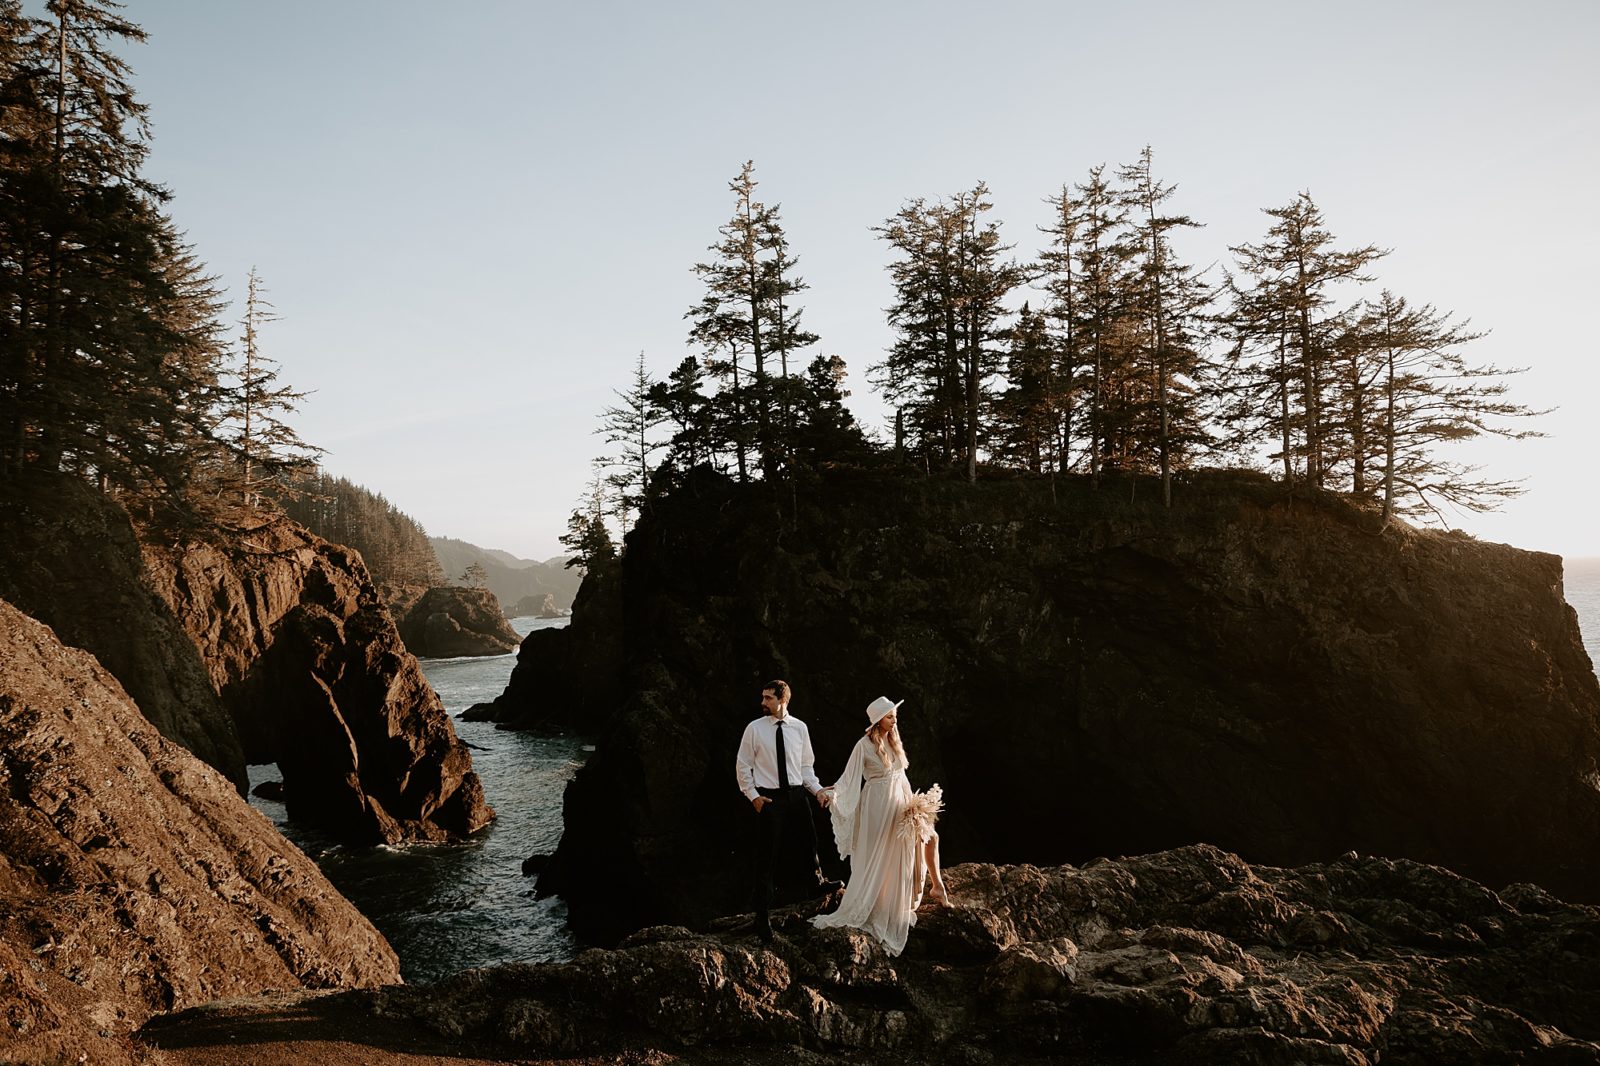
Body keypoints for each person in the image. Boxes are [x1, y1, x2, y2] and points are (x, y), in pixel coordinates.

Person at [811, 696, 948, 956]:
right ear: (877, 721)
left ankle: (927, 888)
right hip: (876, 804)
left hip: (899, 801)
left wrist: (913, 804)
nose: (894, 720)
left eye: (894, 715)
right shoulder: (863, 745)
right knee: (879, 850)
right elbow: (848, 778)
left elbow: (902, 776)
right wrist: (833, 794)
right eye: (889, 716)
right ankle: (875, 901)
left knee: (916, 842)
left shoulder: (894, 741)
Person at [735, 679, 841, 941]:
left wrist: (817, 791)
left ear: (783, 701)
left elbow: (806, 768)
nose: (763, 703)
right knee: (767, 856)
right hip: (770, 799)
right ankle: (761, 916)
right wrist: (754, 797)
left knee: (809, 842)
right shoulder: (754, 729)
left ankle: (816, 883)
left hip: (796, 795)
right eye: (763, 697)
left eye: (769, 698)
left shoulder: (800, 728)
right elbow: (742, 765)